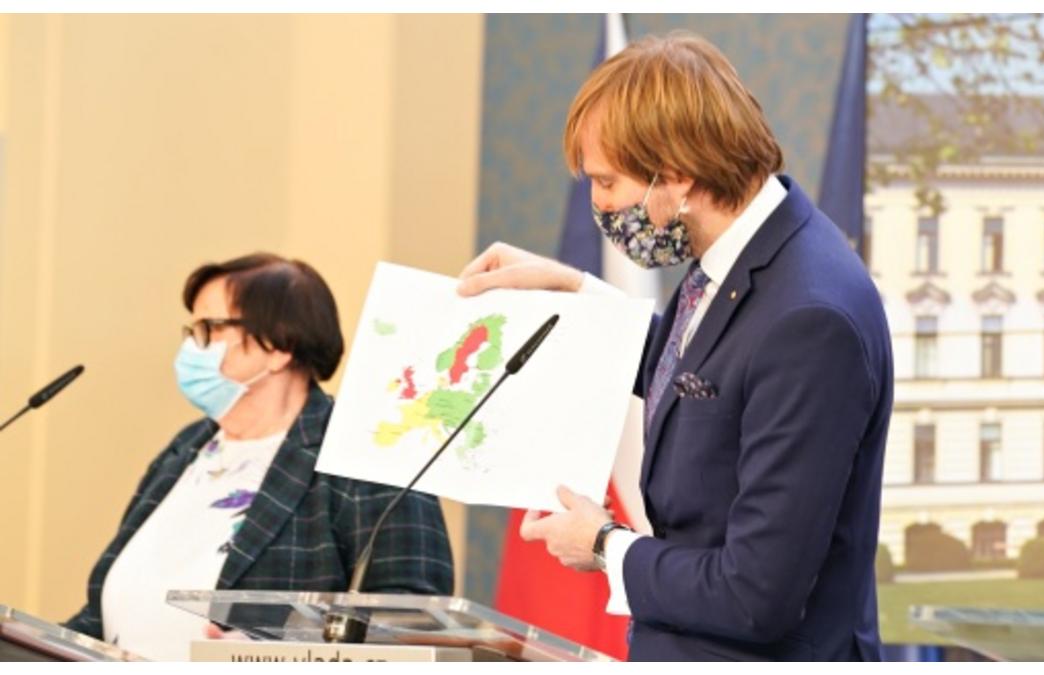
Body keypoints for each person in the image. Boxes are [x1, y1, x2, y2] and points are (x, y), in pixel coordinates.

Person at [458, 33, 892, 661]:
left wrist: (604, 545)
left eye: (607, 181)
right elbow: (704, 367)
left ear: (680, 175)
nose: (598, 203)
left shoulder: (811, 318)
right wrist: (574, 289)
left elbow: (755, 594)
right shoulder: (745, 250)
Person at [66, 253, 454, 661]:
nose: (191, 347)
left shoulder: (365, 454)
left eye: (210, 328)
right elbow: (101, 616)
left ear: (279, 346)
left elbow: (413, 621)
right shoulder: (188, 447)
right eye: (192, 330)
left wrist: (274, 655)